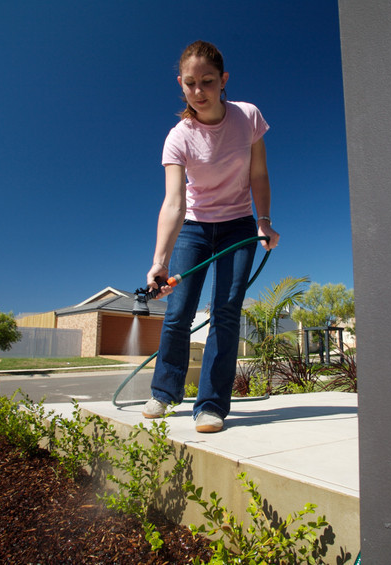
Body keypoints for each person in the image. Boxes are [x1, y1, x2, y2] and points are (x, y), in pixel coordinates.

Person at [142, 40, 279, 433]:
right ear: (180, 84)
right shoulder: (178, 136)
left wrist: (264, 220)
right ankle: (165, 393)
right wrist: (159, 261)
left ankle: (212, 405)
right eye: (190, 83)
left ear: (223, 81)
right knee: (178, 312)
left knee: (225, 313)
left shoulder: (248, 116)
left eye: (207, 81)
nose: (198, 91)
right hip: (195, 228)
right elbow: (173, 202)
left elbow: (258, 175)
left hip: (238, 224)